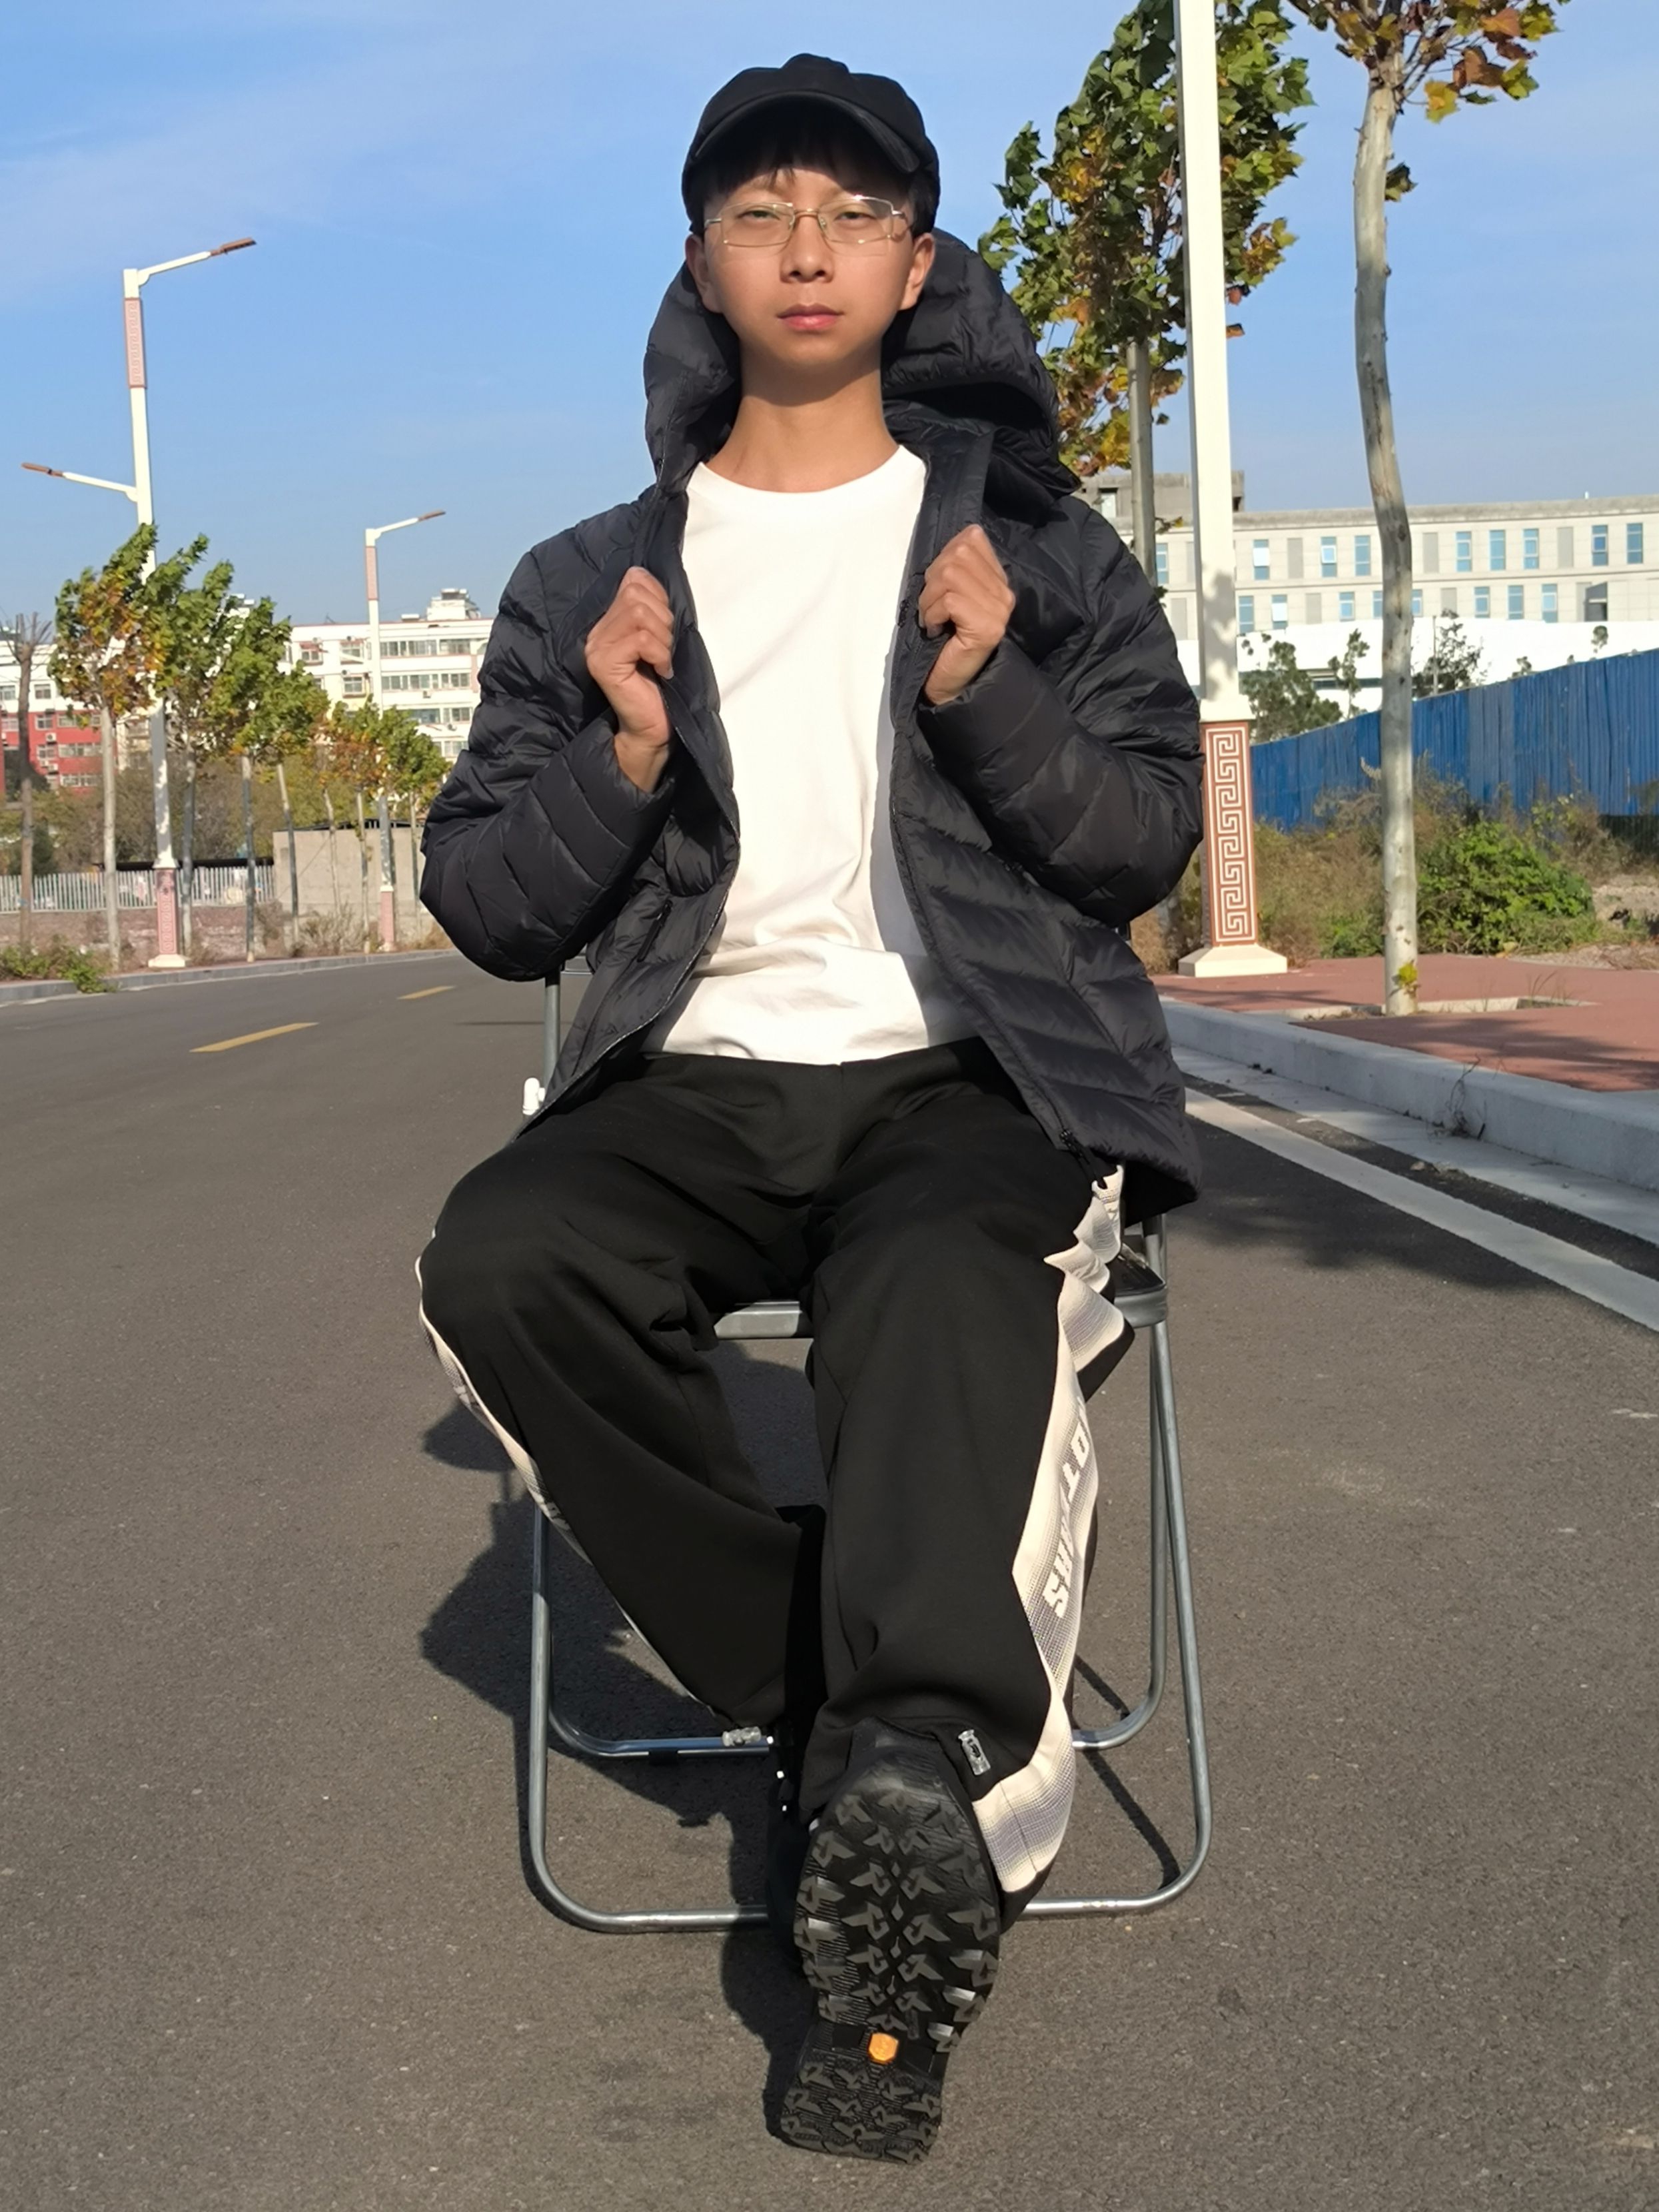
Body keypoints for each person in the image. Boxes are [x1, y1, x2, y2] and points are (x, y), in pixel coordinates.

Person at [416, 53, 1201, 2164]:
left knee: (941, 1268)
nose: (806, 248)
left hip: (968, 1075)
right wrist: (617, 753)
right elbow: (488, 905)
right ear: (701, 261)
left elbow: (1139, 843)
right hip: (690, 1080)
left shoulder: (1036, 550)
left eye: (851, 214)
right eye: (760, 212)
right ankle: (867, 1744)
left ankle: (905, 1770)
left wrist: (989, 689)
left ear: (915, 262)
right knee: (502, 1256)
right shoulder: (590, 579)